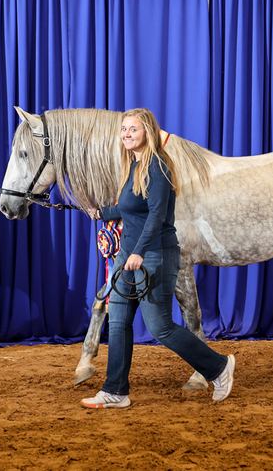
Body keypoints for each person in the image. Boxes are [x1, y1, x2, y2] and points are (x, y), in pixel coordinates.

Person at [81, 108, 235, 409]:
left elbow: (156, 216)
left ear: (147, 133)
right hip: (128, 255)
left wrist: (138, 251)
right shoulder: (133, 166)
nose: (126, 134)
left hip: (154, 255)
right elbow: (129, 209)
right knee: (119, 323)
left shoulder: (158, 167)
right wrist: (100, 213)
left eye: (133, 129)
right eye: (124, 129)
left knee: (160, 327)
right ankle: (115, 390)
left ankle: (218, 367)